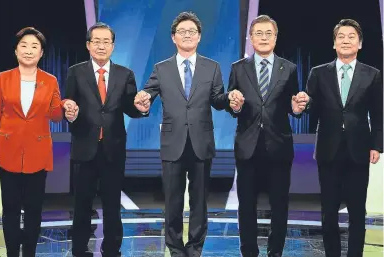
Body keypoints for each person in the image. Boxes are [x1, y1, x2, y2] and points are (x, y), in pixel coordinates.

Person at [134, 11, 234, 257]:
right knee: (173, 200)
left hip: (202, 141)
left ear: (199, 37)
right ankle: (176, 247)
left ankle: (195, 248)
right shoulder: (162, 68)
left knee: (200, 200)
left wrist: (231, 100)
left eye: (192, 32)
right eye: (182, 31)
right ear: (173, 37)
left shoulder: (212, 67)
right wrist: (142, 101)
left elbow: (218, 100)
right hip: (172, 141)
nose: (187, 35)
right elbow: (148, 94)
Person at [62, 22, 145, 257]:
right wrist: (69, 110)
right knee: (81, 206)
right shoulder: (75, 72)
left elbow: (131, 108)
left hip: (113, 149)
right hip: (84, 147)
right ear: (88, 45)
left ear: (113, 46)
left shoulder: (125, 74)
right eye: (96, 41)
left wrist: (142, 108)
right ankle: (79, 250)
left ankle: (112, 250)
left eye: (106, 41)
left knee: (112, 206)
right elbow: (68, 103)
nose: (101, 46)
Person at [226, 15, 306, 257]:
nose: (263, 37)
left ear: (275, 37)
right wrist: (235, 105)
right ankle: (248, 251)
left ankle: (275, 252)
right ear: (251, 38)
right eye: (258, 33)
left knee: (279, 206)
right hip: (247, 147)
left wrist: (298, 109)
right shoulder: (238, 68)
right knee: (246, 207)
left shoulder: (289, 68)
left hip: (279, 146)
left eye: (268, 33)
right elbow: (232, 105)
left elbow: (294, 106)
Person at [303, 19, 383, 257]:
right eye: (341, 36)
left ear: (359, 44)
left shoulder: (373, 75)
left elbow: (379, 114)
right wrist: (303, 103)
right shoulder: (318, 73)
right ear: (334, 43)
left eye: (351, 37)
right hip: (328, 149)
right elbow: (310, 107)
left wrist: (377, 145)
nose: (346, 40)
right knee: (328, 211)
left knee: (358, 211)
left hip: (359, 149)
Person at [0, 27, 63, 257]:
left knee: (33, 210)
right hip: (7, 151)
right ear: (16, 50)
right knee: (9, 209)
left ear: (41, 54)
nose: (29, 51)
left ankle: (29, 252)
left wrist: (66, 107)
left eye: (34, 47)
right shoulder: (3, 78)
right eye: (24, 45)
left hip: (37, 152)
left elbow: (56, 115)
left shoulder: (50, 81)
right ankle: (11, 253)